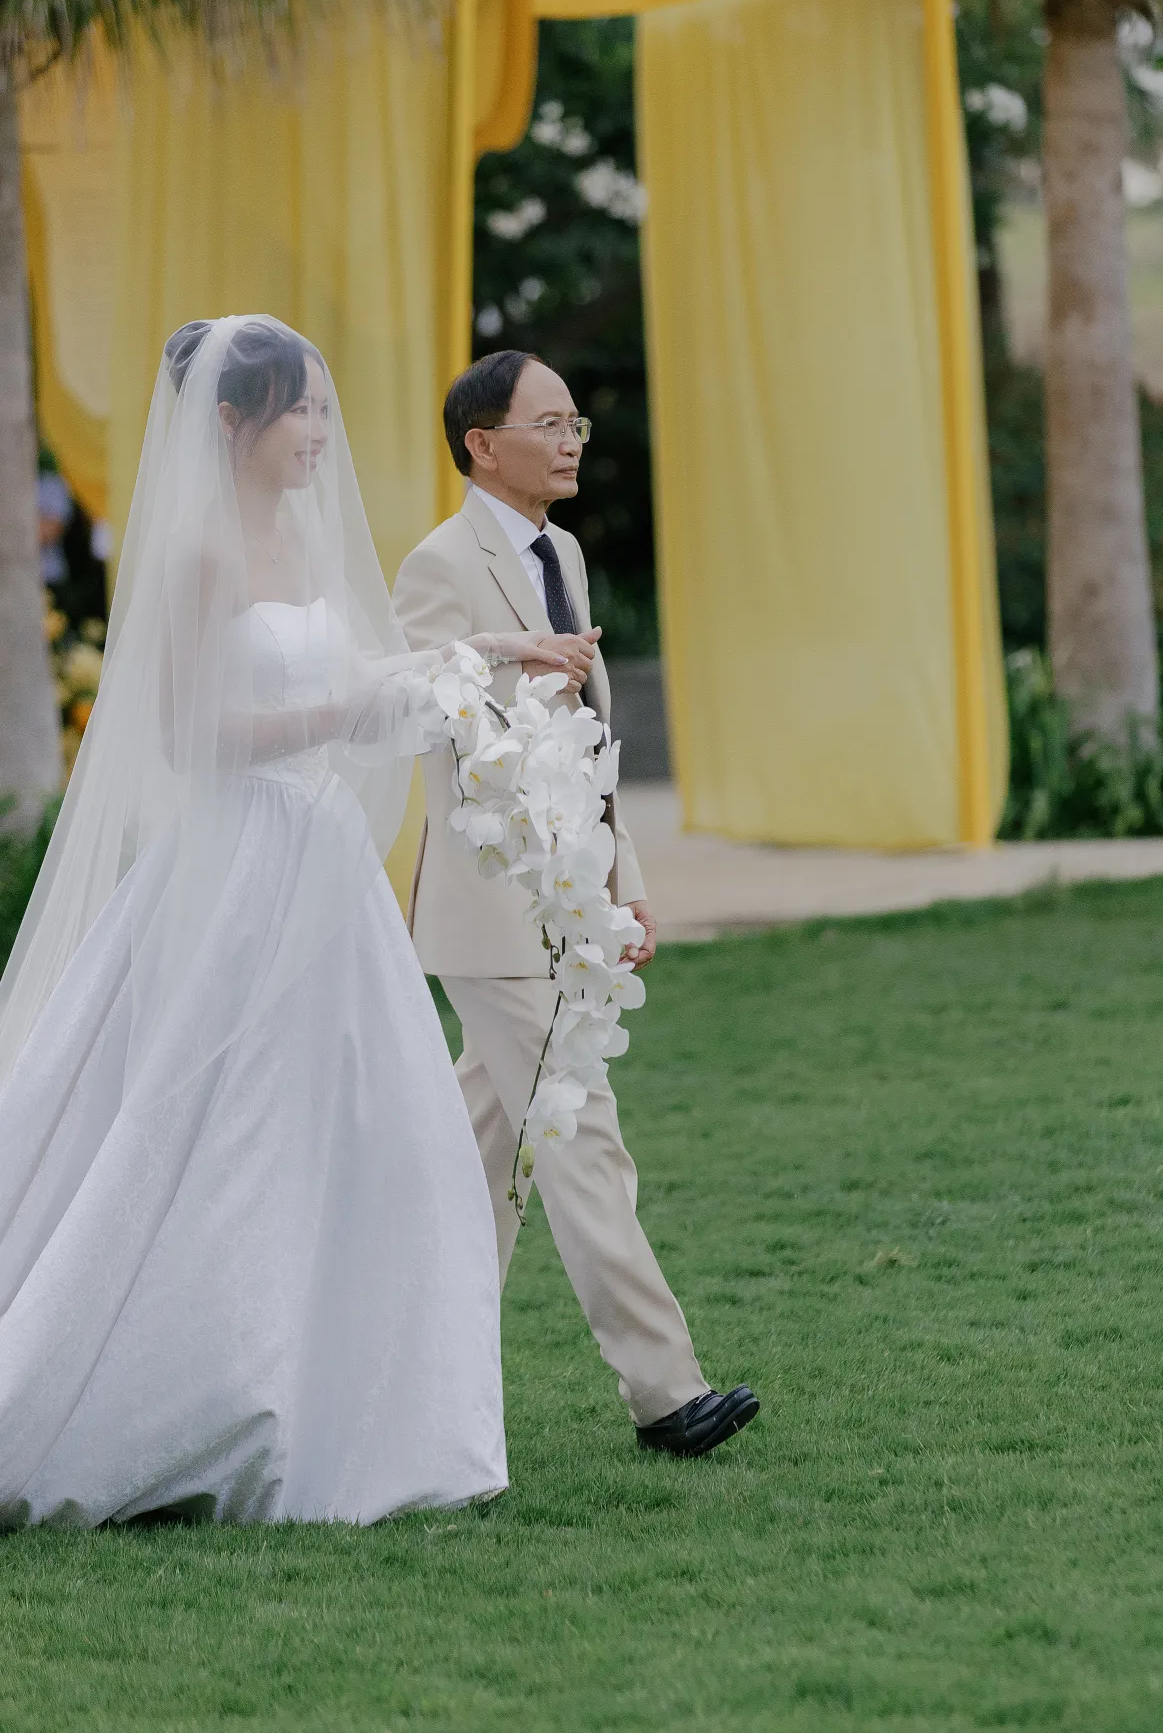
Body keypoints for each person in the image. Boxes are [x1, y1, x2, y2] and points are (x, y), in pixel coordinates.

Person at [0, 316, 568, 1529]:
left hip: (324, 860)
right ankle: (198, 1398)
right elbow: (185, 734)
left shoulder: (304, 537)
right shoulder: (200, 552)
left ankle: (362, 1405)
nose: (318, 432)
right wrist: (336, 718)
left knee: (373, 1128)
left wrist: (480, 654)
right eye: (297, 410)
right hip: (238, 859)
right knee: (221, 1125)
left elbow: (358, 683)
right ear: (231, 420)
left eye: (320, 408)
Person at [393, 350, 759, 1459]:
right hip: (490, 911)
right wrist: (519, 683)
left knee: (481, 1162)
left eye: (575, 424)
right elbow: (423, 712)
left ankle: (403, 1376)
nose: (569, 442)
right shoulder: (438, 563)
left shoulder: (566, 553)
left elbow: (591, 745)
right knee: (580, 1132)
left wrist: (622, 889)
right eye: (547, 423)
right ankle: (666, 1390)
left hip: (566, 905)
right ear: (481, 445)